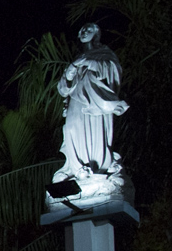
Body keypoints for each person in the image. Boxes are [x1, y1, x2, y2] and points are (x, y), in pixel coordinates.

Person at [54, 23, 130, 190]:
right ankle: (76, 168)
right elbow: (63, 89)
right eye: (81, 30)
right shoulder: (77, 58)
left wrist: (89, 62)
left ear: (96, 34)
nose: (83, 31)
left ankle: (97, 169)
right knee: (71, 129)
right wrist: (71, 71)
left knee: (95, 132)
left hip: (96, 102)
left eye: (88, 29)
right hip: (76, 101)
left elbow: (113, 70)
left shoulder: (104, 54)